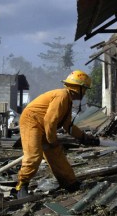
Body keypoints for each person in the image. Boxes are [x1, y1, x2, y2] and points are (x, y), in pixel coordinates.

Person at [15, 70, 100, 199]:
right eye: (85, 89)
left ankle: (70, 183)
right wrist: (52, 139)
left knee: (56, 154)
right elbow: (50, 120)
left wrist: (83, 137)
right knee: (34, 156)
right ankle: (21, 186)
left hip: (42, 124)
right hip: (31, 121)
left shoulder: (67, 100)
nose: (85, 93)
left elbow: (67, 125)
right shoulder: (62, 96)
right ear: (79, 88)